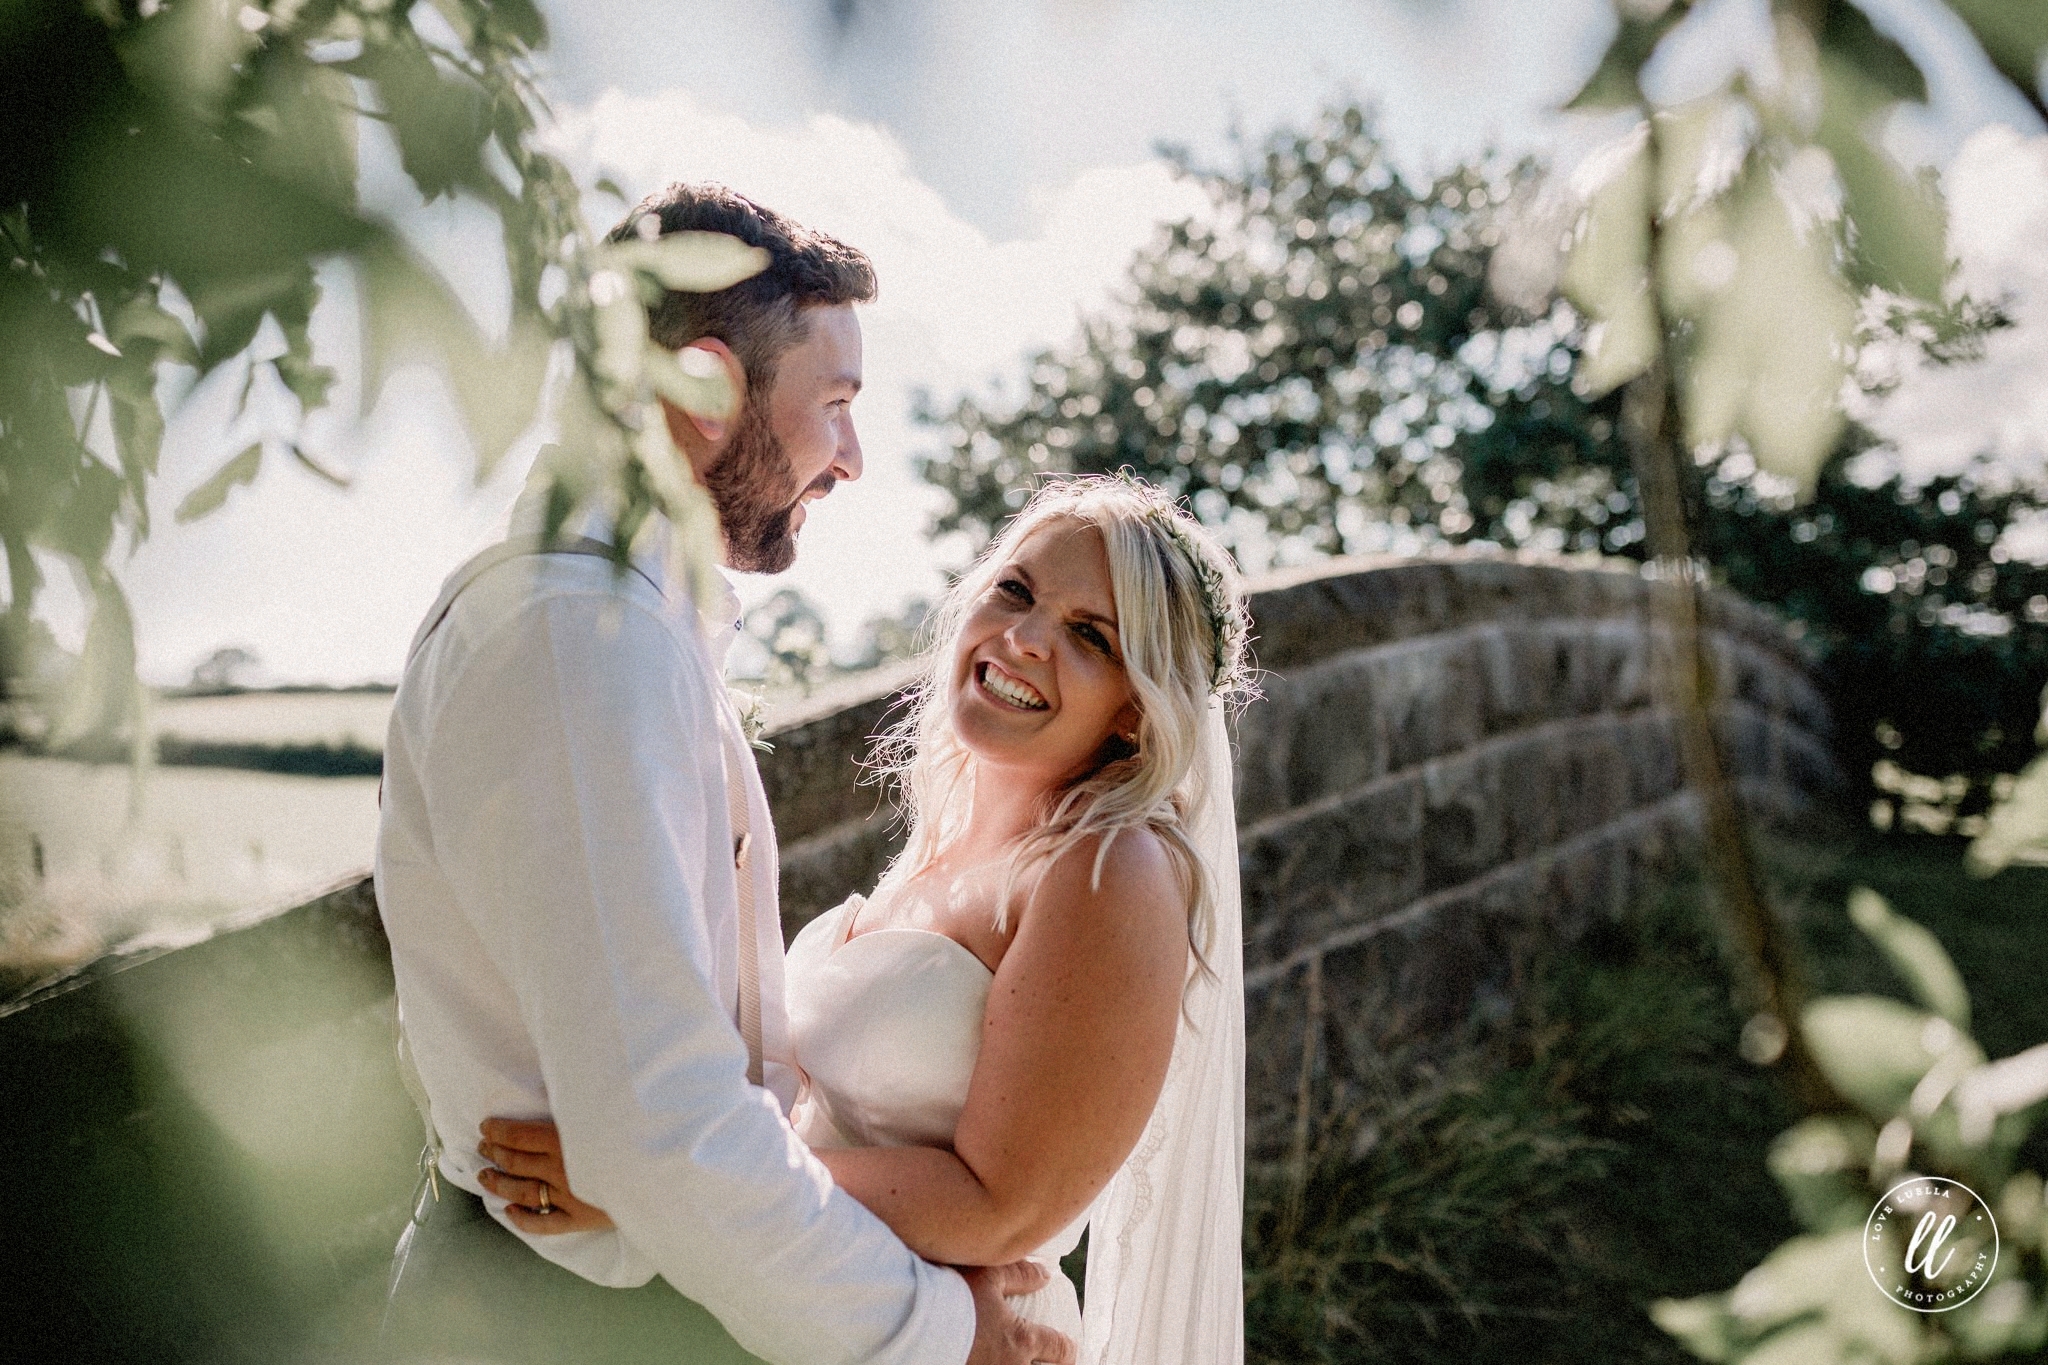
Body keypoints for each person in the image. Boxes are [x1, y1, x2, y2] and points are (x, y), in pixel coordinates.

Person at [374, 182, 1071, 1365]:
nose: (850, 458)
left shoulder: (620, 621)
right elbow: (662, 1121)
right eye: (835, 405)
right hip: (555, 1322)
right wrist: (942, 1334)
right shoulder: (581, 636)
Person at [478, 476, 1254, 1365]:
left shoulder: (1111, 870)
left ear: (1137, 708)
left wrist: (661, 1190)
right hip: (830, 1311)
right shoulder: (948, 843)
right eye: (1016, 589)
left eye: (1091, 635)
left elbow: (1002, 1203)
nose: (1026, 637)